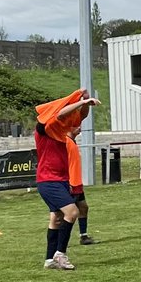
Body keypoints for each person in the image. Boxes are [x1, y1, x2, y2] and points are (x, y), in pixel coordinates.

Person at [34, 89, 100, 270]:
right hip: (48, 181)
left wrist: (87, 105)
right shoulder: (45, 129)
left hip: (61, 180)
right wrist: (81, 103)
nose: (75, 125)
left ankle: (49, 260)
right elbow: (61, 113)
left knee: (56, 218)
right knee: (72, 213)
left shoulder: (62, 133)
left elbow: (80, 116)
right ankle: (60, 254)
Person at [66, 132, 97, 245]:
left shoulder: (72, 141)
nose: (79, 128)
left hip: (77, 182)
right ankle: (62, 242)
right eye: (75, 125)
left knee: (83, 207)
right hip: (70, 183)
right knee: (68, 213)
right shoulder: (65, 141)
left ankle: (83, 236)